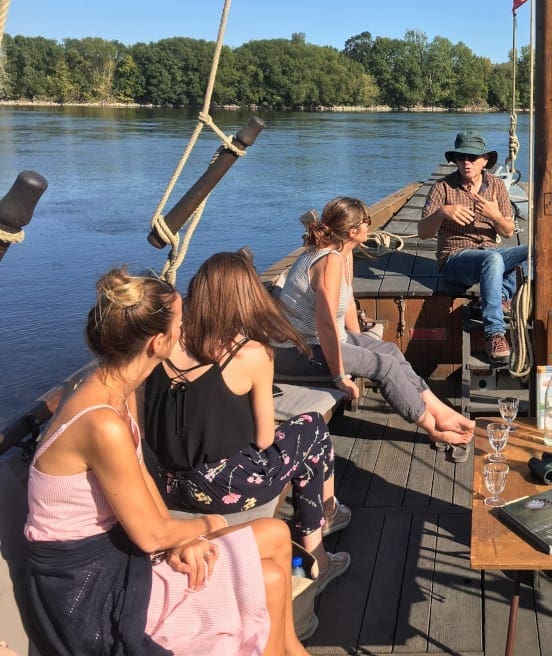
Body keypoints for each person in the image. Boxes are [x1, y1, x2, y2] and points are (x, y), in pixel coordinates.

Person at [24, 268, 309, 656]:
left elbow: (142, 484)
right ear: (158, 342)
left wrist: (183, 538)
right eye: (181, 321)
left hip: (120, 552)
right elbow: (150, 535)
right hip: (93, 588)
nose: (186, 328)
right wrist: (207, 526)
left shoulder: (115, 392)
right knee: (272, 578)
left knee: (275, 535)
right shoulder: (101, 422)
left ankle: (290, 648)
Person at [141, 251, 350, 590]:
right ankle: (317, 551)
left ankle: (325, 522)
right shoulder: (251, 353)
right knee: (311, 429)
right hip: (226, 488)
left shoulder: (162, 347)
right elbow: (265, 438)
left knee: (302, 436)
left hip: (169, 482)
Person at [273, 196, 475, 451]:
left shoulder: (341, 253)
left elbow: (346, 304)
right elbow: (325, 325)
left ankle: (441, 412)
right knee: (386, 366)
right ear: (354, 231)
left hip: (324, 341)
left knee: (388, 350)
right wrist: (339, 376)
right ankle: (433, 429)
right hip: (298, 352)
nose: (370, 226)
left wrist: (362, 347)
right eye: (366, 222)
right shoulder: (329, 261)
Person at [417, 130, 528, 365]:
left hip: (490, 252)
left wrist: (494, 215)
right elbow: (423, 232)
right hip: (455, 258)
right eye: (461, 157)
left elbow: (507, 231)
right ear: (455, 160)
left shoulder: (496, 185)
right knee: (493, 261)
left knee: (539, 251)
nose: (466, 162)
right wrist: (443, 212)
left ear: (485, 160)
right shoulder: (443, 188)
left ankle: (498, 296)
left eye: (472, 157)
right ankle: (494, 333)